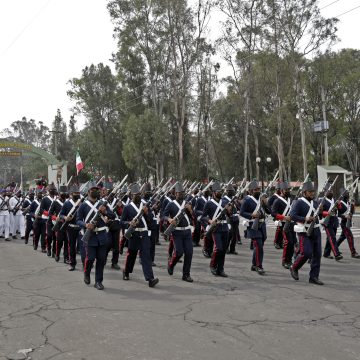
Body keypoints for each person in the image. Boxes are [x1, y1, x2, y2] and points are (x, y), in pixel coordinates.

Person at [76, 183, 115, 290]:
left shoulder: (102, 204)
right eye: (93, 189)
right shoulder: (83, 205)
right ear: (88, 192)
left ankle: (98, 281)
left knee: (101, 260)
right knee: (90, 259)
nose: (95, 191)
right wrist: (85, 225)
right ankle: (87, 273)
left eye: (96, 189)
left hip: (102, 235)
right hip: (90, 236)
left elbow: (113, 215)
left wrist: (105, 212)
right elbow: (78, 220)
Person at [121, 183, 159, 288]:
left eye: (138, 194)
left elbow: (151, 219)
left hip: (144, 233)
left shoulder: (146, 205)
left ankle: (150, 279)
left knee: (146, 256)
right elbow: (121, 221)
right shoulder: (127, 207)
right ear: (131, 196)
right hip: (133, 234)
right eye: (135, 194)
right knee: (131, 255)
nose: (137, 196)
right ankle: (126, 271)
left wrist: (147, 213)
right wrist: (129, 223)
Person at [289, 181, 324, 285]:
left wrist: (321, 212)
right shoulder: (298, 202)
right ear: (304, 192)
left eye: (313, 191)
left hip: (316, 230)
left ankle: (314, 277)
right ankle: (294, 267)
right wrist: (305, 218)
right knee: (306, 253)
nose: (312, 193)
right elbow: (292, 215)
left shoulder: (316, 202)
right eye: (310, 192)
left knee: (317, 255)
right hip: (304, 230)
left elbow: (319, 217)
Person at [164, 182, 194, 282]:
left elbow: (192, 218)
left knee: (189, 252)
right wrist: (169, 220)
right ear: (175, 193)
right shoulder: (171, 204)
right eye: (179, 193)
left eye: (183, 192)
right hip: (176, 232)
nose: (181, 194)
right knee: (179, 252)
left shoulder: (187, 203)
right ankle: (171, 264)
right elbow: (163, 215)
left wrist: (190, 210)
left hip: (187, 231)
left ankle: (186, 274)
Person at [240, 180, 270, 275]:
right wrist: (252, 215)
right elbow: (242, 213)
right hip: (253, 225)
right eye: (256, 189)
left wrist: (266, 203)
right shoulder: (247, 200)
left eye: (259, 189)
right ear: (251, 191)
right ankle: (258, 266)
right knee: (259, 246)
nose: (258, 191)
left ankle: (254, 264)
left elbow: (269, 212)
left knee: (259, 246)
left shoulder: (262, 199)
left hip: (262, 225)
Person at [201, 181, 230, 277]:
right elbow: (203, 216)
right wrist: (209, 221)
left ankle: (220, 269)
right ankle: (213, 265)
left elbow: (230, 214)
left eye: (221, 191)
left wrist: (229, 210)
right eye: (218, 191)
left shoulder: (225, 202)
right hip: (215, 228)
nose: (220, 192)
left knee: (224, 249)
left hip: (225, 227)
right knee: (218, 248)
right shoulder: (208, 203)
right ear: (213, 192)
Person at [271, 182, 295, 269]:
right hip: (284, 224)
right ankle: (285, 261)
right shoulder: (277, 201)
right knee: (288, 242)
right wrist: (284, 217)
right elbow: (273, 213)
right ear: (281, 190)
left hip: (292, 223)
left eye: (289, 189)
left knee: (292, 243)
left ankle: (290, 260)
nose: (288, 191)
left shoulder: (291, 199)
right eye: (286, 190)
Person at [60, 185, 82, 271]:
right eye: (75, 193)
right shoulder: (67, 203)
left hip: (80, 228)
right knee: (72, 247)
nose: (77, 194)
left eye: (78, 193)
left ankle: (85, 263)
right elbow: (61, 214)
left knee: (83, 247)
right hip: (71, 228)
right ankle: (72, 263)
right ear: (71, 194)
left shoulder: (82, 203)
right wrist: (65, 218)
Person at [336, 189, 360, 258]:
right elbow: (337, 214)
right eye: (346, 193)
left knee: (342, 236)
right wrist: (344, 216)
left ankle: (335, 247)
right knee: (350, 236)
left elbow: (352, 213)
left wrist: (353, 206)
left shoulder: (349, 203)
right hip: (343, 223)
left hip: (348, 222)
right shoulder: (339, 203)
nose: (348, 194)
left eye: (348, 193)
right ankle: (353, 252)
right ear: (342, 194)